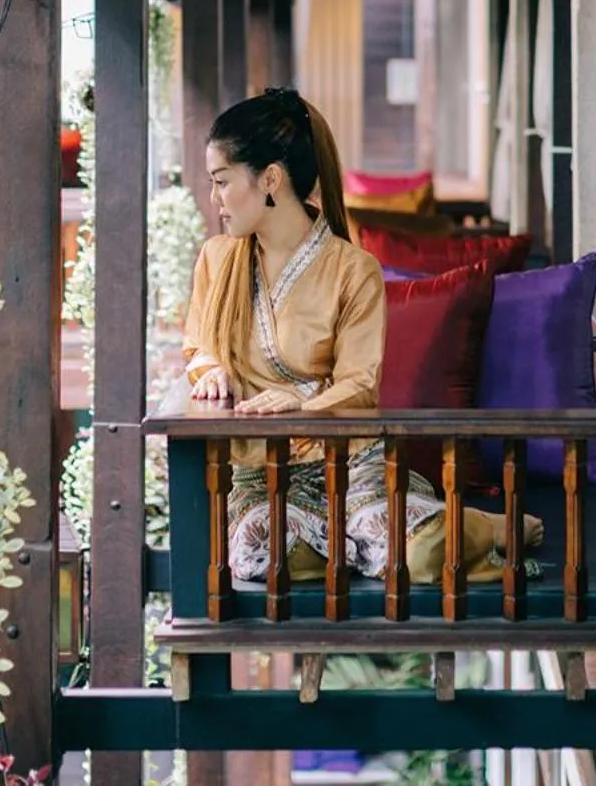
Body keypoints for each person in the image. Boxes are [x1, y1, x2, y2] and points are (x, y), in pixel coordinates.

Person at [183, 87, 540, 585]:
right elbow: (199, 346)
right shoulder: (216, 259)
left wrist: (299, 405)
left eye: (222, 182)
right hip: (261, 464)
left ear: (270, 180)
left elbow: (360, 384)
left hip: (348, 454)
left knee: (418, 559)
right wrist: (214, 370)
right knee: (260, 552)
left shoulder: (354, 270)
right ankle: (353, 542)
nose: (215, 198)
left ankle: (482, 528)